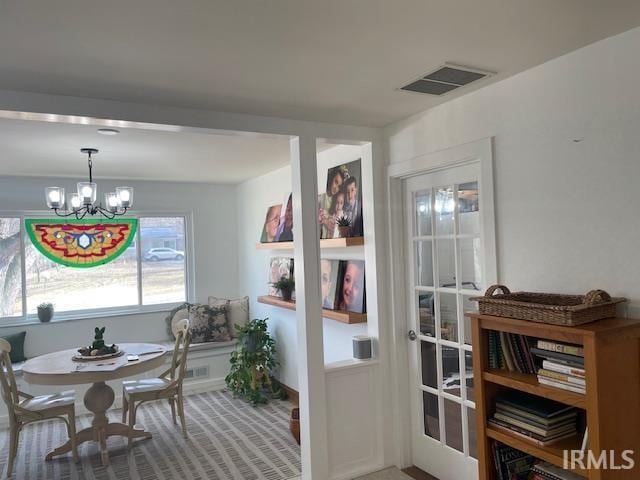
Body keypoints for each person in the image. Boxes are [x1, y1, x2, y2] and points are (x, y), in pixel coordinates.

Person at [318, 167, 345, 239]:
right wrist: (325, 221)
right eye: (336, 182)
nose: (336, 188)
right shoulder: (320, 196)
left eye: (339, 186)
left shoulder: (336, 201)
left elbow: (335, 224)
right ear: (331, 178)